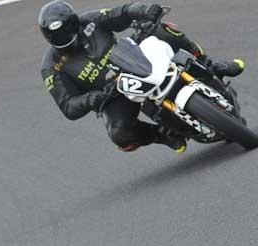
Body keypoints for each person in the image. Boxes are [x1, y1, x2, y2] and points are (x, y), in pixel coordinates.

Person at [39, 1, 246, 153]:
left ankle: (211, 64)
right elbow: (67, 106)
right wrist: (90, 99)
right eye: (60, 41)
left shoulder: (90, 20)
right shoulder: (51, 67)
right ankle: (163, 134)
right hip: (112, 94)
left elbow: (123, 12)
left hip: (133, 59)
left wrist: (145, 10)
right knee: (120, 133)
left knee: (162, 30)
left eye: (69, 36)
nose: (68, 43)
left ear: (75, 24)